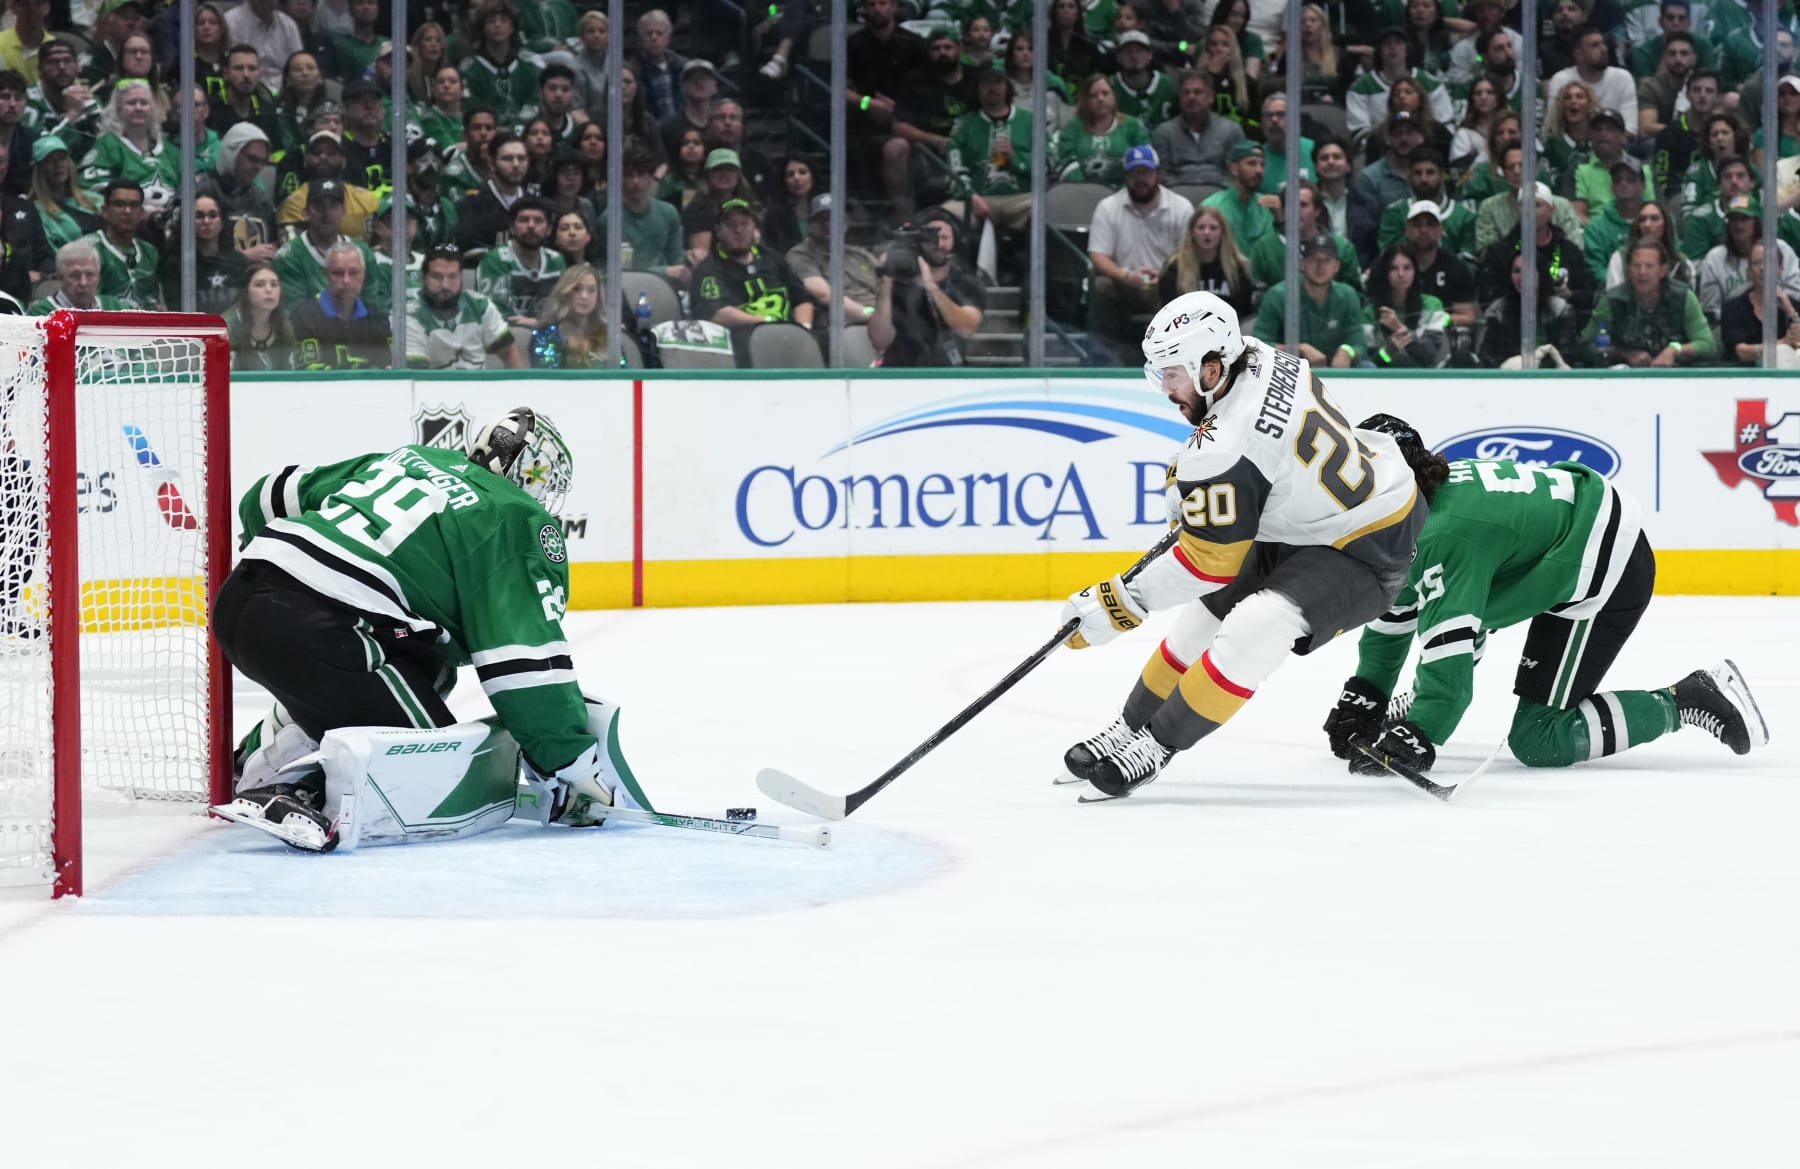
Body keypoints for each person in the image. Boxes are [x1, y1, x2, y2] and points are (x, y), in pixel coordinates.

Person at [212, 407, 636, 852]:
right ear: (529, 476)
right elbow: (524, 667)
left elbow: (269, 494)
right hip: (321, 632)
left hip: (242, 598)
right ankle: (299, 789)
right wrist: (570, 768)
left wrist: (274, 567)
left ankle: (250, 761)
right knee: (431, 774)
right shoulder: (513, 515)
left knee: (428, 662)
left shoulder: (411, 458)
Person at [1057, 292, 1429, 798]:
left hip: (1369, 539)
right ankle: (1128, 728)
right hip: (1304, 514)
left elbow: (1207, 562)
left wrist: (1121, 601)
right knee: (1204, 619)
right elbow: (1242, 443)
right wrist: (1189, 482)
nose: (1166, 389)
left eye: (1173, 374)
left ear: (1211, 368)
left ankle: (1156, 745)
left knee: (1258, 625)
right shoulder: (1254, 352)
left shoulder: (1230, 444)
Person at [1324, 418, 1767, 781]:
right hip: (1571, 548)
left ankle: (1687, 698)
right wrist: (1367, 694)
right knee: (1451, 612)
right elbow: (1399, 604)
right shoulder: (1430, 499)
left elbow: (1449, 642)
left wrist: (1423, 731)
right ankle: (1412, 703)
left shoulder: (1443, 533)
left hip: (1605, 568)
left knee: (1539, 739)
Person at [1088, 144, 1194, 347]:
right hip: (1125, 282)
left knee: (1188, 285)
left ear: (1158, 174)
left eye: (1146, 173)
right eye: (1134, 173)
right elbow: (1098, 254)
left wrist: (1164, 276)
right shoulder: (1108, 207)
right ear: (1126, 177)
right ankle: (1103, 356)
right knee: (1101, 286)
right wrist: (1127, 276)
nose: (1140, 180)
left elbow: (1188, 254)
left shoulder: (1181, 207)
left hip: (1168, 284)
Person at [868, 208, 984, 368]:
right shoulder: (899, 281)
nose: (938, 244)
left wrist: (931, 287)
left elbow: (966, 328)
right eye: (931, 238)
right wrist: (887, 281)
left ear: (955, 241)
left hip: (946, 371)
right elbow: (880, 340)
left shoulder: (966, 283)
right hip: (899, 371)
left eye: (944, 237)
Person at [689, 198, 811, 348]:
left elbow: (802, 299)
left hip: (789, 339)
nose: (738, 231)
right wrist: (766, 324)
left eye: (745, 224)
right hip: (741, 343)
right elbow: (715, 314)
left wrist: (804, 329)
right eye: (730, 225)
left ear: (754, 228)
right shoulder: (709, 269)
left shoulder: (773, 258)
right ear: (718, 231)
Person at [1581, 239, 1715, 367]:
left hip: (1676, 376)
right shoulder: (1612, 300)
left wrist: (1675, 349)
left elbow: (1707, 345)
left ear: (1663, 270)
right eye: (1636, 266)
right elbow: (1586, 345)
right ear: (1628, 269)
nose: (1642, 272)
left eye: (1649, 266)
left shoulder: (1683, 297)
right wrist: (1624, 355)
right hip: (1625, 378)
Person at [944, 65, 1034, 237]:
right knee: (944, 219)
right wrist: (970, 196)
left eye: (998, 82)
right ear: (977, 89)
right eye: (986, 83)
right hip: (977, 199)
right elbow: (954, 169)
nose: (992, 88)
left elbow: (1049, 164)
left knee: (1050, 213)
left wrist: (1015, 158)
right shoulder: (963, 125)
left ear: (1007, 86)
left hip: (1024, 200)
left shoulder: (1031, 121)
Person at [1251, 231, 1362, 368]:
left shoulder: (1347, 295)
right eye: (1314, 259)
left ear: (1337, 266)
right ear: (1302, 264)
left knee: (1367, 366)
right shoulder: (1279, 295)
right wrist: (1297, 349)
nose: (1320, 266)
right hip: (1285, 372)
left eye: (1327, 260)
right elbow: (1258, 345)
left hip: (1335, 373)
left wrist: (1347, 351)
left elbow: (1359, 343)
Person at [406, 243, 520, 369]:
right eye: (437, 277)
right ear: (423, 278)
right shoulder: (410, 313)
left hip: (479, 387)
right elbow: (415, 372)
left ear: (462, 277)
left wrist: (522, 386)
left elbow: (509, 352)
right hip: (432, 387)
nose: (445, 285)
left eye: (452, 277)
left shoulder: (480, 305)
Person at [785, 193, 883, 331]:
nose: (827, 224)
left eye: (833, 219)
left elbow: (885, 288)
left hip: (881, 321)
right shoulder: (799, 255)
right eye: (821, 219)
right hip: (844, 328)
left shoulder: (860, 254)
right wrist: (872, 315)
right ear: (810, 225)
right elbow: (825, 296)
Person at [289, 238, 389, 369]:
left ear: (363, 275)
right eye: (338, 273)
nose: (346, 280)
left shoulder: (377, 315)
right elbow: (310, 375)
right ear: (326, 275)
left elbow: (387, 370)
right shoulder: (304, 316)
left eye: (353, 272)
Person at [473, 196, 565, 333]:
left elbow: (567, 310)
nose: (531, 226)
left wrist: (538, 324)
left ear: (549, 229)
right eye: (524, 220)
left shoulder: (556, 261)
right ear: (512, 228)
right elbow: (494, 315)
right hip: (505, 339)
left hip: (549, 338)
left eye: (538, 221)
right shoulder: (495, 261)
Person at [1477, 251, 1582, 369]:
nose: (1522, 277)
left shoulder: (1561, 310)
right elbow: (1486, 357)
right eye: (1516, 271)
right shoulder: (1497, 311)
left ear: (1541, 274)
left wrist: (1536, 363)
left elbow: (1567, 356)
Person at [1157, 204, 1255, 321]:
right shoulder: (1174, 266)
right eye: (1201, 228)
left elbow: (1245, 311)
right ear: (1192, 232)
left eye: (1213, 228)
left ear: (1222, 233)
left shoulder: (1238, 267)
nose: (1207, 232)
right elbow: (1169, 311)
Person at [1150, 70, 1243, 188]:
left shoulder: (1231, 130)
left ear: (1211, 97)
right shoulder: (1164, 132)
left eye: (1198, 92)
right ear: (1179, 98)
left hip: (1221, 195)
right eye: (1186, 92)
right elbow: (1161, 174)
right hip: (1177, 196)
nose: (1191, 97)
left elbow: (1235, 173)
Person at [1361, 247, 1449, 367]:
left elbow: (1429, 356)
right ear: (1385, 272)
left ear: (1415, 271)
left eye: (1407, 268)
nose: (1401, 274)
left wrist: (1399, 328)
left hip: (1426, 378)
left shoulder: (1433, 305)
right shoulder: (1370, 312)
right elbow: (1368, 365)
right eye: (1393, 268)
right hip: (1384, 379)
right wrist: (1388, 351)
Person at [1545, 26, 1638, 137]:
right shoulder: (1561, 79)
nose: (1604, 49)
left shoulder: (1623, 78)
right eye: (1595, 45)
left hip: (1612, 149)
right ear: (1578, 54)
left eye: (1603, 43)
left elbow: (1630, 129)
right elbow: (1553, 126)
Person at [160, 192, 245, 314]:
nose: (206, 221)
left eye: (213, 215)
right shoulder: (174, 265)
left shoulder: (239, 263)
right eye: (199, 216)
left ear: (222, 222)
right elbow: (176, 310)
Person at [1722, 240, 1800, 365]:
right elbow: (1740, 352)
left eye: (1769, 262)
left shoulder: (1793, 306)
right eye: (1757, 263)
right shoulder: (1733, 307)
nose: (1763, 268)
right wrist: (1782, 343)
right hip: (1744, 377)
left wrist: (1790, 311)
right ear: (1750, 271)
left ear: (1781, 268)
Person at [530, 262, 612, 368]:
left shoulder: (608, 335)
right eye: (576, 289)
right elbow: (545, 380)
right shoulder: (545, 336)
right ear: (565, 292)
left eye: (591, 290)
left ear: (598, 296)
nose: (584, 296)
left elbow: (624, 378)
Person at [28, 134, 99, 250]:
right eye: (50, 160)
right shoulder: (36, 212)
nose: (58, 165)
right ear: (39, 169)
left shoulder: (95, 199)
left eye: (62, 158)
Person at [1199, 140, 1273, 252]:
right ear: (1234, 169)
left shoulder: (1266, 206)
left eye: (1262, 165)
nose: (1259, 170)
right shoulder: (1213, 207)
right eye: (1251, 163)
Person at [224, 259, 294, 369]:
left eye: (274, 284)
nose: (269, 290)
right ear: (245, 291)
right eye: (259, 284)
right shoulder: (226, 328)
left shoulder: (286, 327)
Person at [26, 239, 127, 312]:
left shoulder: (117, 309)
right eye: (75, 276)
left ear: (99, 277)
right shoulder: (42, 314)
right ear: (60, 277)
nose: (83, 283)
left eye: (90, 275)